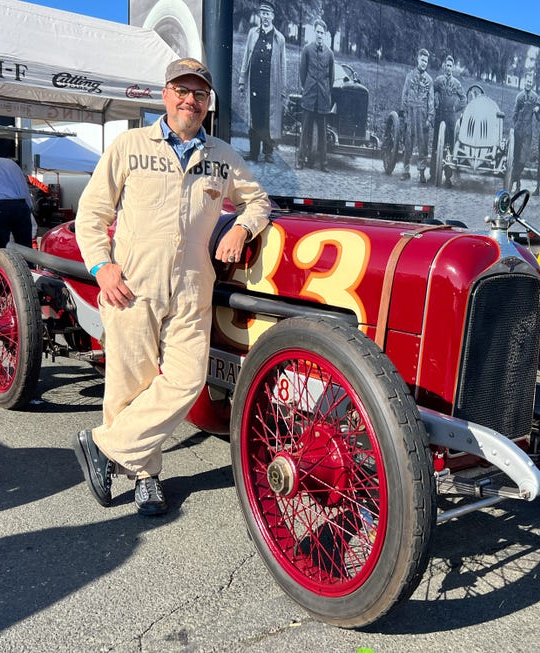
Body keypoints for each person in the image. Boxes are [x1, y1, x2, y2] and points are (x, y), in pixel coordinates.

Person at [72, 58, 271, 516]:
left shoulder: (221, 156)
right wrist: (102, 266)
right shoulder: (130, 145)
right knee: (128, 383)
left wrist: (242, 228)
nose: (190, 100)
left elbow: (259, 201)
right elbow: (92, 213)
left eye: (200, 94)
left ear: (208, 104)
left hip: (191, 286)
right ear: (165, 95)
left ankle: (102, 447)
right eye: (182, 91)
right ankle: (146, 476)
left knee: (186, 380)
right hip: (131, 283)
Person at [237, 0, 286, 163]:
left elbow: (283, 65)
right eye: (263, 13)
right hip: (254, 84)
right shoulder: (253, 33)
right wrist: (242, 80)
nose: (265, 17)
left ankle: (268, 153)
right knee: (254, 117)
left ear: (273, 16)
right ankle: (253, 152)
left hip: (271, 86)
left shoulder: (279, 38)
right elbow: (246, 57)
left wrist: (282, 89)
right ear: (260, 15)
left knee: (268, 119)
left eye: (268, 14)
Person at [297, 18, 334, 171]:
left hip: (323, 99)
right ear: (314, 33)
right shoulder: (307, 50)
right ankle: (300, 160)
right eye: (317, 32)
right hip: (309, 96)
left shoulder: (330, 54)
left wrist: (325, 90)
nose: (320, 35)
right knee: (305, 130)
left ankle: (323, 163)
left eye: (322, 33)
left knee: (322, 134)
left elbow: (331, 78)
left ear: (325, 35)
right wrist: (308, 87)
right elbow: (302, 73)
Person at [431, 53, 466, 187]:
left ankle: (448, 177)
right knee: (435, 145)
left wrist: (455, 108)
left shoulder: (457, 84)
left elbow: (463, 99)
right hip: (439, 115)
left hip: (450, 117)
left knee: (449, 147)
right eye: (447, 65)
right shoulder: (438, 80)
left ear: (453, 68)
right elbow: (431, 92)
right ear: (444, 66)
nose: (449, 68)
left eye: (451, 66)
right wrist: (435, 100)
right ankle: (433, 174)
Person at [401, 48, 434, 183]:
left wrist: (430, 117)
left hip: (422, 114)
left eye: (426, 61)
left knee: (423, 145)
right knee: (408, 143)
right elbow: (404, 94)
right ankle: (405, 170)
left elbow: (431, 100)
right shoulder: (409, 76)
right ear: (417, 59)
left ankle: (421, 172)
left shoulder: (429, 80)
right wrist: (404, 113)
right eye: (422, 60)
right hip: (411, 112)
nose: (424, 63)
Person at [512, 76, 539, 192]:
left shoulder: (535, 98)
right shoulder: (519, 96)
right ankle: (517, 183)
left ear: (532, 83)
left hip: (528, 131)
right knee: (516, 157)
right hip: (519, 128)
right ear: (524, 82)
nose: (528, 83)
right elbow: (514, 113)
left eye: (530, 82)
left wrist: (538, 109)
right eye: (527, 81)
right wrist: (516, 127)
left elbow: (539, 115)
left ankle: (513, 178)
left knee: (523, 159)